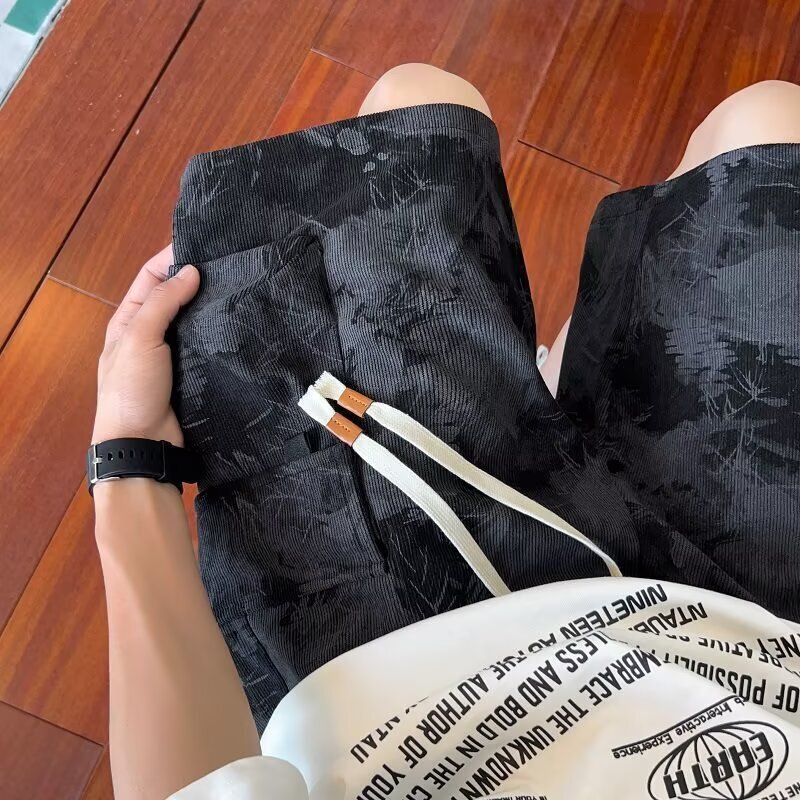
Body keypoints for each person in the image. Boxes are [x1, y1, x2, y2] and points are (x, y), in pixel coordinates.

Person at [91, 67, 800, 800]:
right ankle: (545, 412)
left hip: (391, 676)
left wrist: (129, 457)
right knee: (768, 124)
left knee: (419, 104)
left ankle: (541, 411)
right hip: (751, 643)